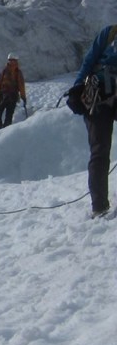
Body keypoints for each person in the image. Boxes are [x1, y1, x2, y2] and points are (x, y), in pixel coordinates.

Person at [66, 24, 117, 219]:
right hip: (98, 94)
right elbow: (89, 60)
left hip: (101, 95)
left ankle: (100, 206)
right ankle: (99, 206)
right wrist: (78, 87)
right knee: (100, 150)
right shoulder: (109, 32)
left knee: (99, 150)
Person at [0, 53, 27, 130]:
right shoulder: (4, 71)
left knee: (9, 116)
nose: (11, 62)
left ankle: (4, 131)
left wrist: (23, 97)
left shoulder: (18, 72)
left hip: (12, 97)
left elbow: (21, 86)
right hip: (2, 96)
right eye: (10, 60)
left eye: (13, 60)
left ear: (16, 61)